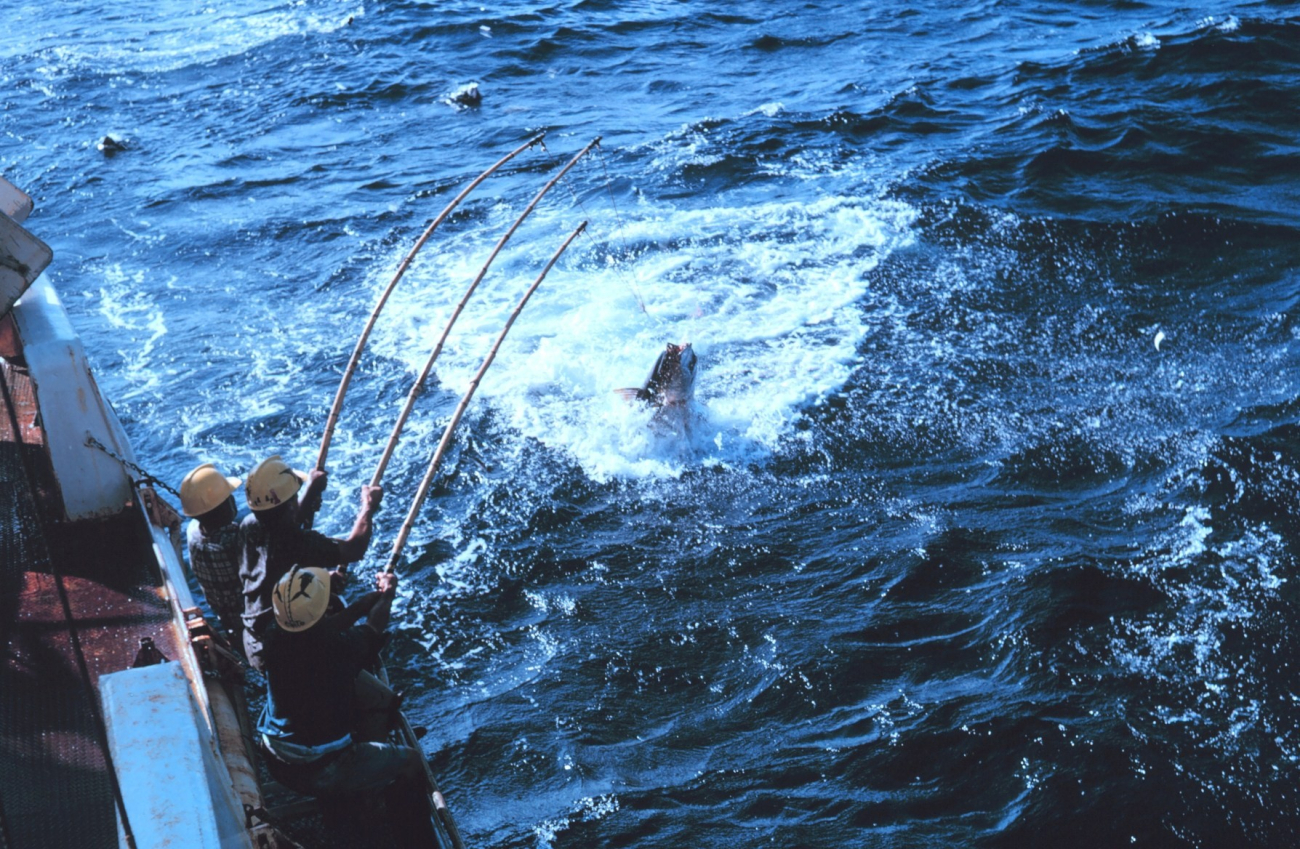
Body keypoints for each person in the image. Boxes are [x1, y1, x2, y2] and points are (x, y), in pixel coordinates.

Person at [257, 566, 436, 847]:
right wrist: (387, 596)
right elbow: (373, 629)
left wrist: (366, 601)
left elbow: (322, 628)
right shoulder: (339, 648)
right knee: (411, 763)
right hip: (319, 770)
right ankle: (415, 840)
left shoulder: (273, 634)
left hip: (275, 758)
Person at [239, 454, 382, 671]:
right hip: (284, 652)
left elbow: (283, 522)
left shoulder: (248, 526)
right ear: (289, 506)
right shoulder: (301, 543)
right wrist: (368, 507)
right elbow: (355, 549)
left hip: (254, 640)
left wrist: (312, 490)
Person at [178, 463, 245, 643]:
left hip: (224, 616)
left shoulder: (192, 531)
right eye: (229, 497)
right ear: (225, 507)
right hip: (249, 614)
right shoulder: (234, 539)